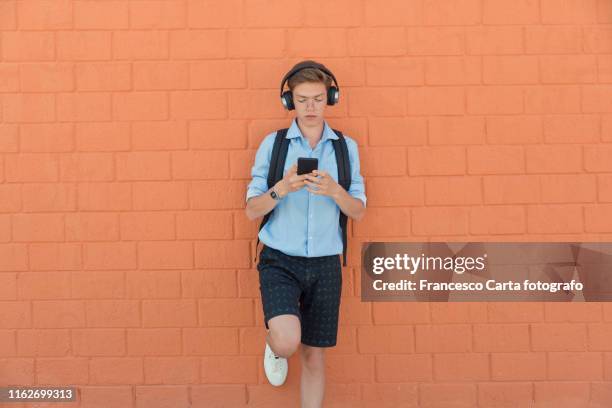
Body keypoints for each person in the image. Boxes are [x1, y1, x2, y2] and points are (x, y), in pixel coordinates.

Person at [245, 60, 367, 407]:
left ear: (330, 97)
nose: (310, 107)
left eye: (317, 98)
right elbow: (252, 209)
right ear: (289, 102)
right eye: (302, 100)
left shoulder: (346, 149)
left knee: (314, 357)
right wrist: (281, 187)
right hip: (280, 260)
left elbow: (358, 209)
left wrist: (335, 191)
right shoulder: (275, 145)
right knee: (287, 342)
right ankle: (274, 347)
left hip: (326, 262)